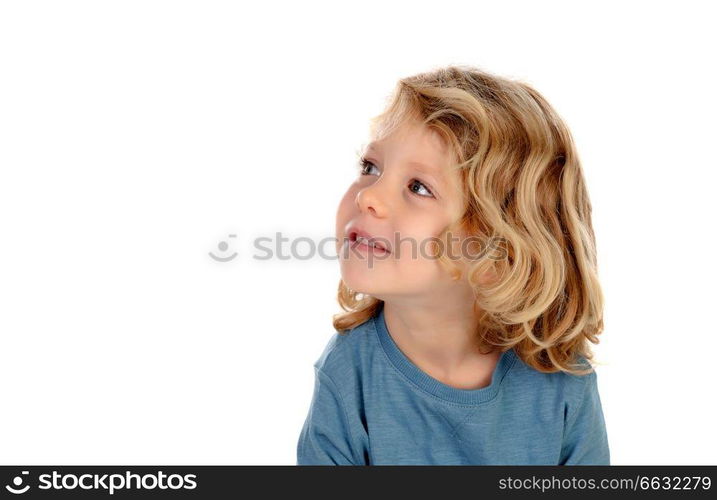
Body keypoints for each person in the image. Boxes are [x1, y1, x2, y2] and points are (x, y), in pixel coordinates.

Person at [296, 65, 610, 465]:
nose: (368, 196)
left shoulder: (562, 377)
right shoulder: (350, 373)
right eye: (371, 167)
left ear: (499, 253)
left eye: (419, 187)